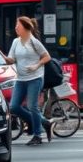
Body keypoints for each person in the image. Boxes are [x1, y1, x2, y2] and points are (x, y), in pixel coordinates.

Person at [3, 16, 53, 145]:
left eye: (17, 26)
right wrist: (2, 56)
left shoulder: (34, 42)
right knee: (13, 107)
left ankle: (37, 135)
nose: (15, 28)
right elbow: (12, 59)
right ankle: (43, 122)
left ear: (25, 27)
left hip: (35, 78)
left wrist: (36, 65)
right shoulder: (15, 42)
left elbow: (47, 57)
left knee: (32, 106)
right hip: (20, 79)